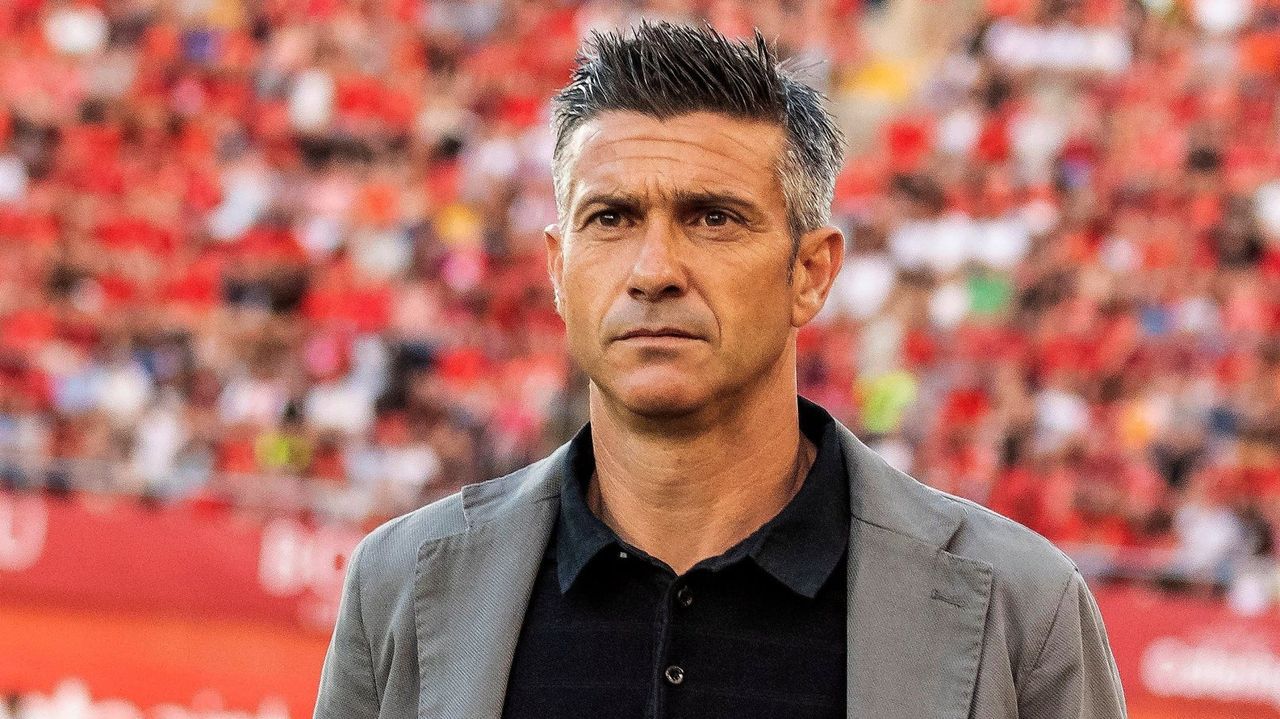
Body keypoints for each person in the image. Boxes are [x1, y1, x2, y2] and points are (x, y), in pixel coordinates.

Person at [313, 22, 1126, 719]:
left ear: (811, 272)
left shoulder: (1021, 612)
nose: (653, 269)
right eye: (612, 217)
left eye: (712, 217)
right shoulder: (400, 587)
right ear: (559, 270)